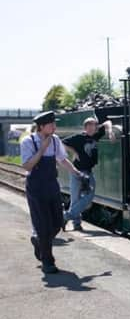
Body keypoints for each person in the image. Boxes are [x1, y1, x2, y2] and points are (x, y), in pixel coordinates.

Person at [20, 111, 83, 274]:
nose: (55, 127)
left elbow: (62, 159)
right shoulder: (28, 141)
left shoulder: (55, 141)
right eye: (52, 124)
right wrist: (42, 149)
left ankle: (38, 241)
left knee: (57, 223)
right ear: (41, 126)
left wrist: (77, 173)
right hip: (36, 187)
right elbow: (27, 166)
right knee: (43, 226)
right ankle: (48, 262)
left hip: (52, 186)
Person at [62, 117, 114, 231]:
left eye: (94, 126)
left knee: (89, 196)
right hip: (77, 171)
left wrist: (110, 131)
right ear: (85, 128)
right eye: (90, 126)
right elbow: (62, 143)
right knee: (75, 198)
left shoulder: (95, 136)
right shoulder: (79, 137)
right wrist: (74, 151)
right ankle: (76, 224)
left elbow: (107, 122)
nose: (92, 128)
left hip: (88, 171)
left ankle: (65, 216)